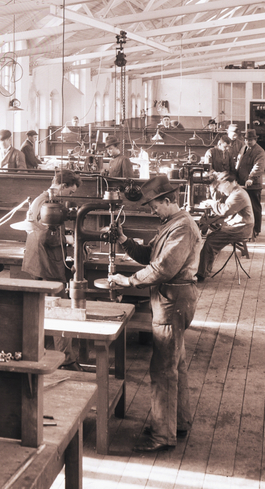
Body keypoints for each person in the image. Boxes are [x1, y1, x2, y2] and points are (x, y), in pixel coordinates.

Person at [106, 174, 202, 452]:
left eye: (154, 206)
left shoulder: (183, 228)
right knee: (175, 363)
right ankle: (178, 423)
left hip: (174, 301)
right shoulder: (172, 223)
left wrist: (128, 281)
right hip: (170, 298)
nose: (152, 211)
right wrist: (124, 240)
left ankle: (162, 435)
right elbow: (151, 256)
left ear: (169, 200)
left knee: (162, 369)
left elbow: (163, 269)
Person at [21, 168, 81, 283]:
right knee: (54, 292)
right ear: (63, 186)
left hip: (38, 260)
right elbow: (43, 235)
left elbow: (39, 227)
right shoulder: (47, 204)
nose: (70, 196)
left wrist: (64, 230)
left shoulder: (40, 199)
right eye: (70, 192)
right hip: (46, 262)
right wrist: (66, 239)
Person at [196, 171, 254, 281]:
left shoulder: (238, 194)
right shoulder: (236, 191)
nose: (220, 190)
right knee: (212, 236)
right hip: (237, 225)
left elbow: (225, 210)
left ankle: (201, 274)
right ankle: (204, 268)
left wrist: (211, 203)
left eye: (220, 187)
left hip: (240, 228)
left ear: (227, 183)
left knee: (210, 242)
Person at [236, 128, 265, 239]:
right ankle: (245, 228)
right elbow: (238, 163)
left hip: (253, 185)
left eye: (250, 140)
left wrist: (251, 178)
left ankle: (256, 229)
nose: (248, 141)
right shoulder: (244, 148)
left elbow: (258, 167)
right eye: (246, 139)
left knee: (254, 207)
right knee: (244, 208)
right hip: (242, 183)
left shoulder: (259, 151)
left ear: (255, 140)